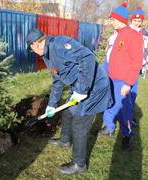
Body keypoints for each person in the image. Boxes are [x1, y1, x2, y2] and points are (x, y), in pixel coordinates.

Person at [25, 28, 113, 174]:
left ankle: (79, 165)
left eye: (32, 49)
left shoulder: (60, 44)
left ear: (35, 44)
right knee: (67, 111)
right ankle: (65, 141)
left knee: (79, 124)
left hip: (94, 86)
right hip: (79, 85)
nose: (33, 52)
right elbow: (57, 80)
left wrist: (82, 90)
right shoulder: (48, 55)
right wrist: (51, 105)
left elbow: (87, 58)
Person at [98, 3, 144, 151]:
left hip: (122, 81)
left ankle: (126, 135)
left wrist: (127, 83)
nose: (111, 21)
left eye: (113, 19)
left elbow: (136, 62)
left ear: (120, 19)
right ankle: (109, 127)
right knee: (109, 103)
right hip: (110, 77)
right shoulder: (116, 35)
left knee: (124, 109)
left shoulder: (134, 36)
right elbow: (110, 57)